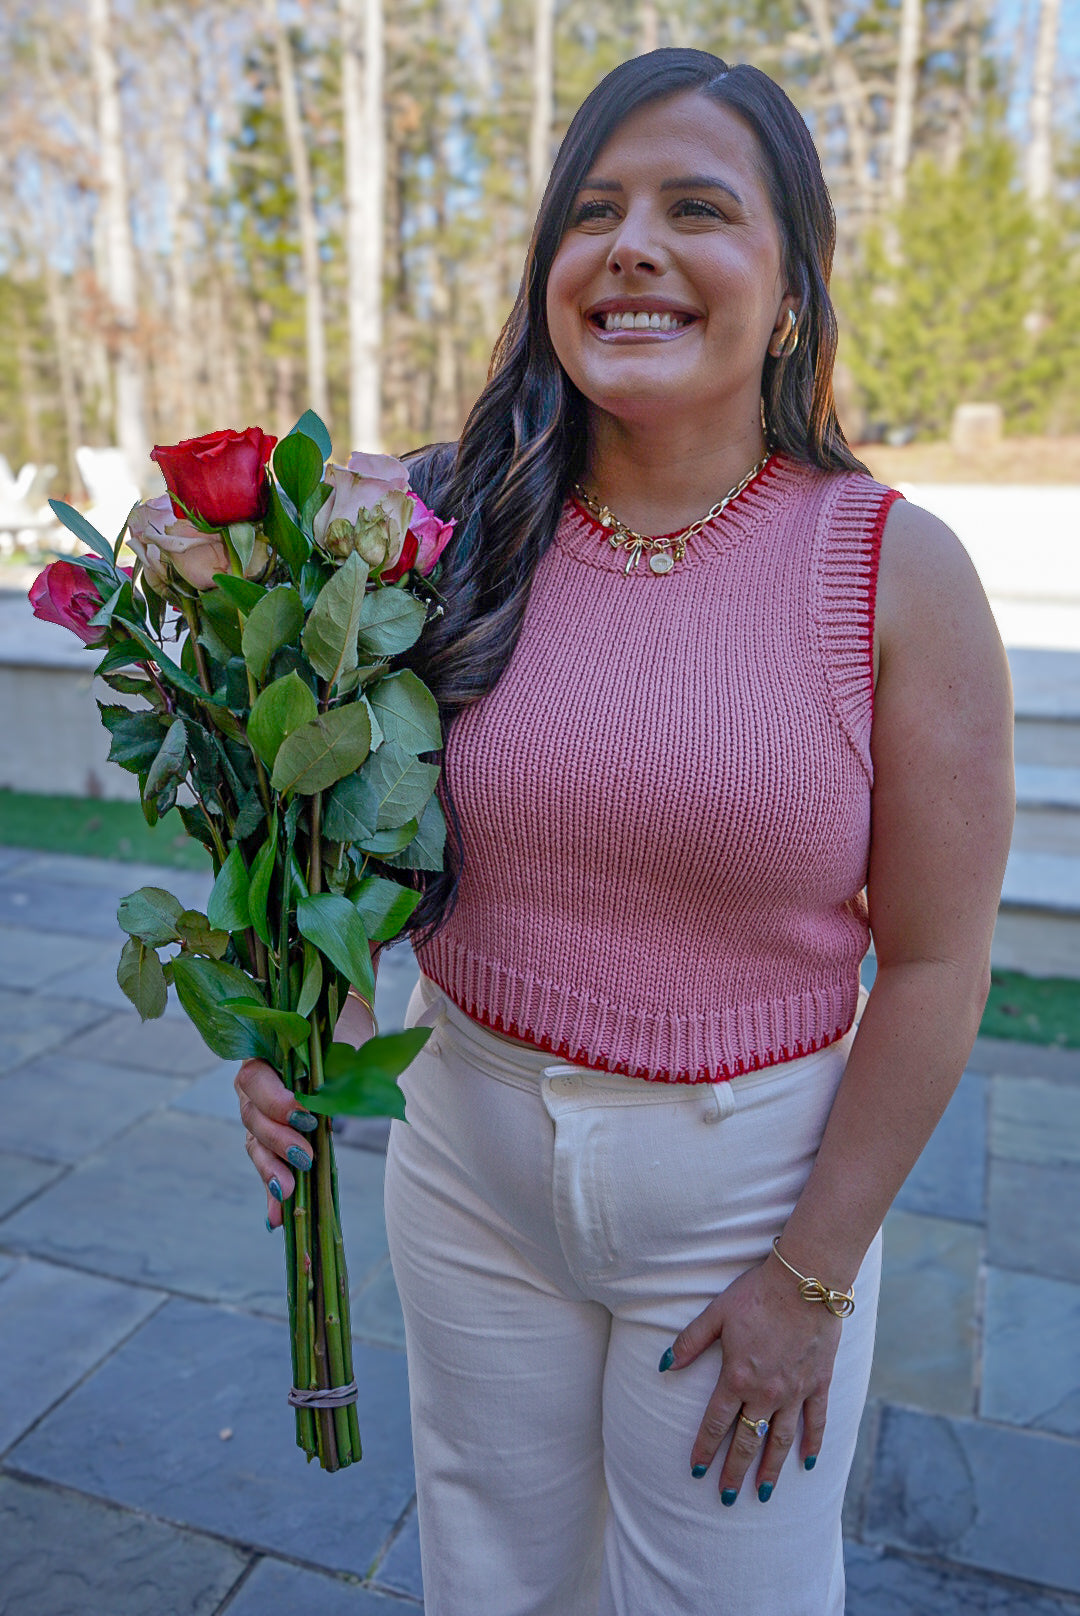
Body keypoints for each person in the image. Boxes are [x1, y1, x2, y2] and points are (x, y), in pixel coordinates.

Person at [235, 47, 1014, 1616]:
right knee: (494, 1580)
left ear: (791, 286)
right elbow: (363, 839)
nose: (632, 245)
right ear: (548, 276)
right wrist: (297, 1020)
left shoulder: (894, 569)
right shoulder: (438, 527)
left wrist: (814, 1276)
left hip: (744, 1203)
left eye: (698, 208)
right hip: (465, 1168)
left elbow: (936, 965)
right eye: (592, 211)